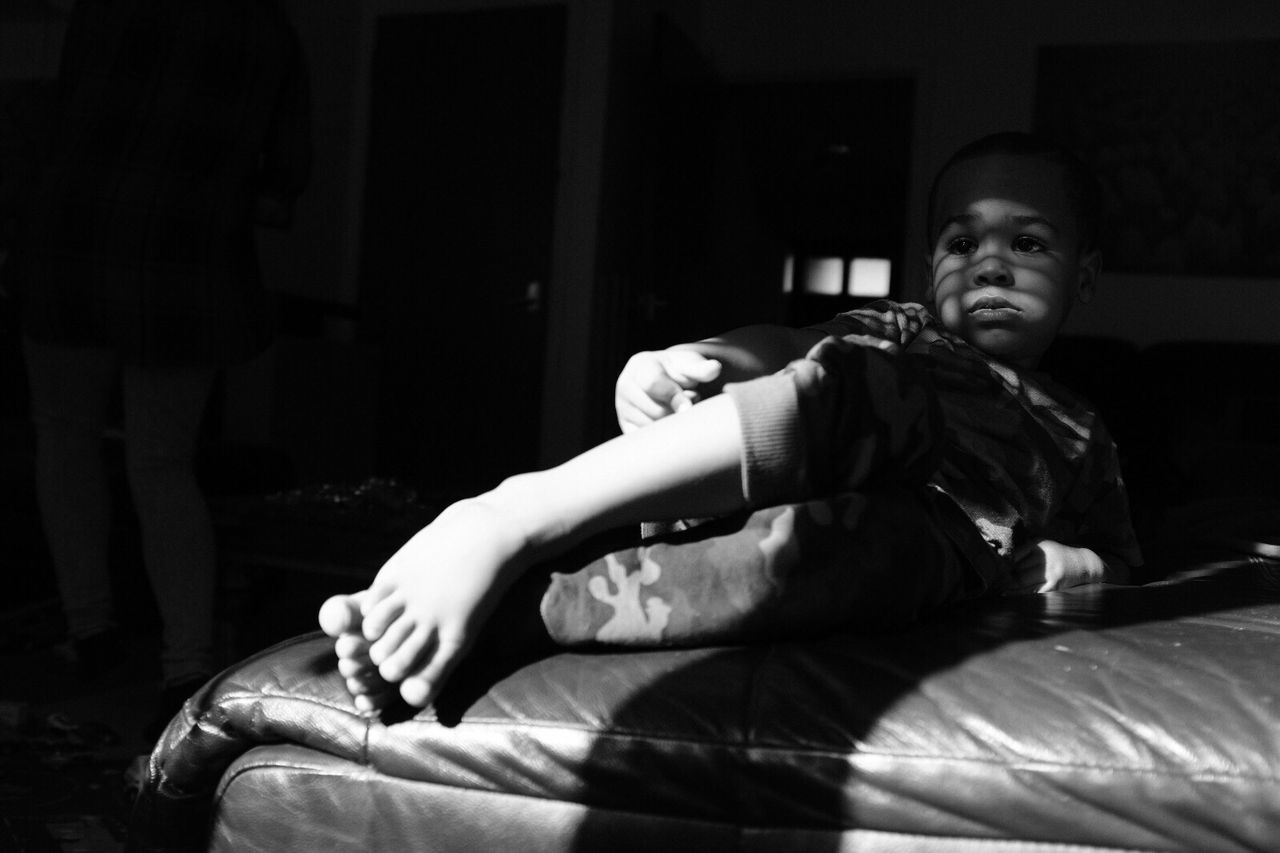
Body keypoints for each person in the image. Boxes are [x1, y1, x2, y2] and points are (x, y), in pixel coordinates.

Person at [319, 131, 1142, 713]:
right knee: (868, 380)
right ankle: (510, 513)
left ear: (1086, 277)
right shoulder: (903, 334)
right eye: (961, 241)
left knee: (882, 553)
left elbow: (1120, 560)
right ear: (931, 267)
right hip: (788, 454)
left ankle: (501, 618)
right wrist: (694, 359)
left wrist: (1069, 562)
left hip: (914, 539)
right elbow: (784, 346)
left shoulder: (1078, 428)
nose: (989, 261)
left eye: (1028, 242)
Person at [13, 0, 310, 733]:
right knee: (162, 461)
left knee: (64, 433)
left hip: (73, 240)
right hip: (185, 261)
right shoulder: (265, 25)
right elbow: (287, 177)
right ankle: (185, 661)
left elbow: (57, 125)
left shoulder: (103, 11)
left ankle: (92, 630)